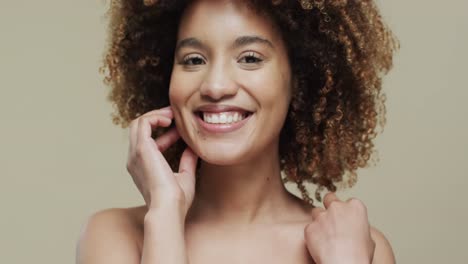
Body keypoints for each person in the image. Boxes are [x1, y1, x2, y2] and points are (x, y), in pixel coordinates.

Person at [76, 0, 398, 263]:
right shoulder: (115, 236)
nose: (215, 86)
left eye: (249, 58)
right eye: (193, 60)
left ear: (299, 79)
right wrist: (164, 218)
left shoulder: (360, 247)